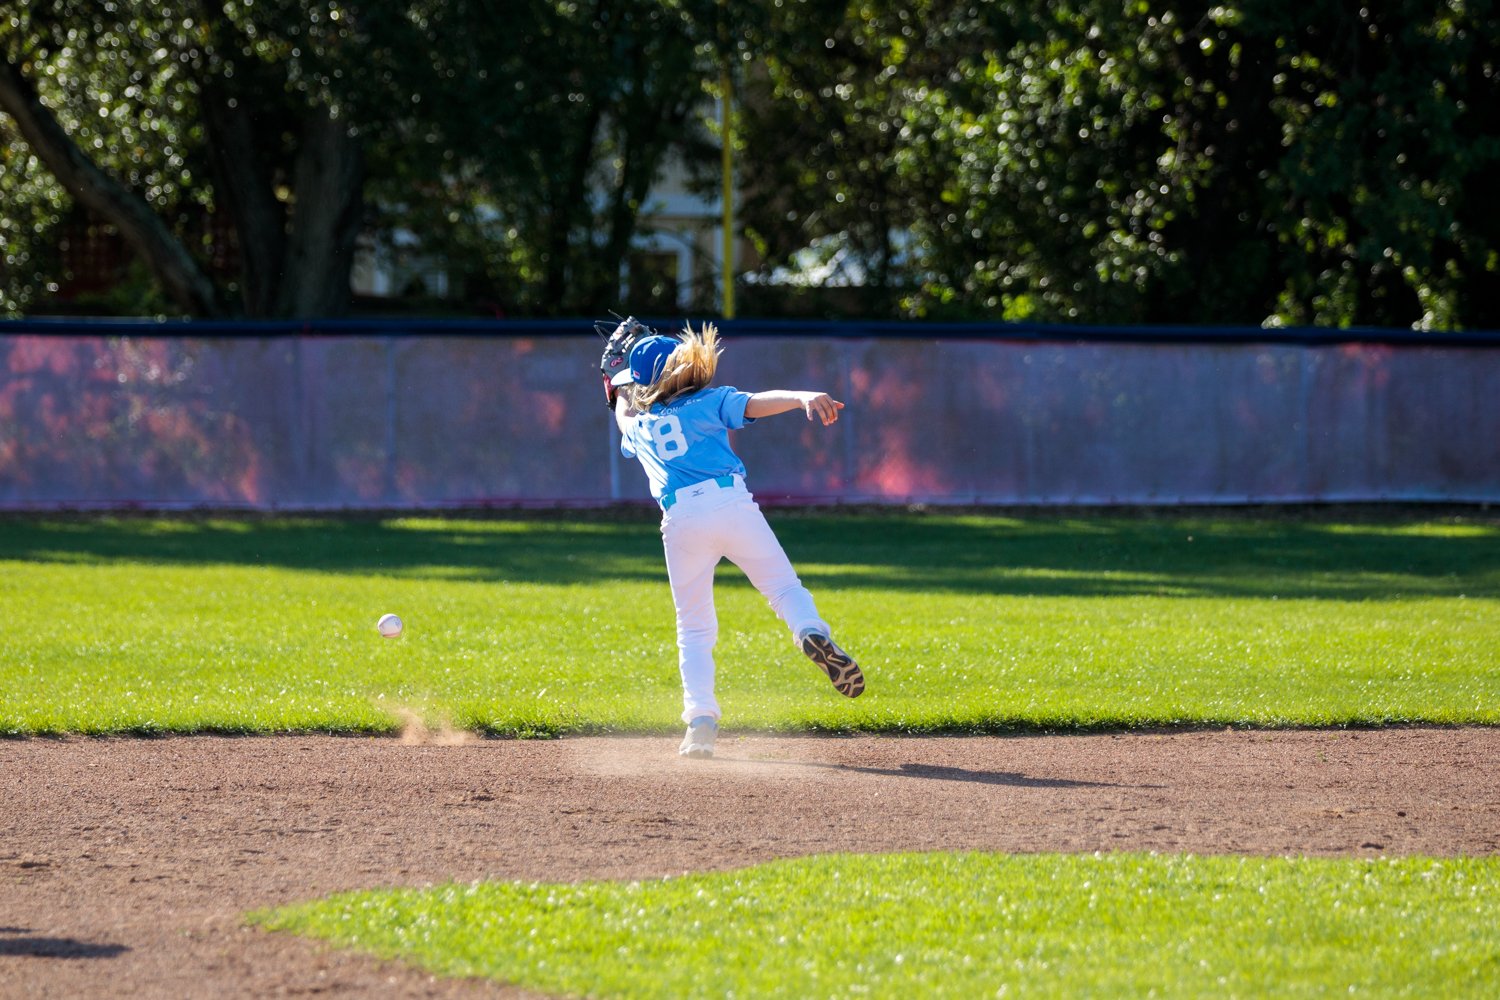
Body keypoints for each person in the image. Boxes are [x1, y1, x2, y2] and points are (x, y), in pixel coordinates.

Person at [604, 319, 865, 759]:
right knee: (784, 589)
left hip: (681, 520)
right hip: (731, 505)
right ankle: (809, 632)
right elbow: (757, 404)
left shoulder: (642, 425)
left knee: (694, 627)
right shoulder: (707, 402)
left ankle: (700, 725)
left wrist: (613, 385)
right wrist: (803, 397)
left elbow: (623, 412)